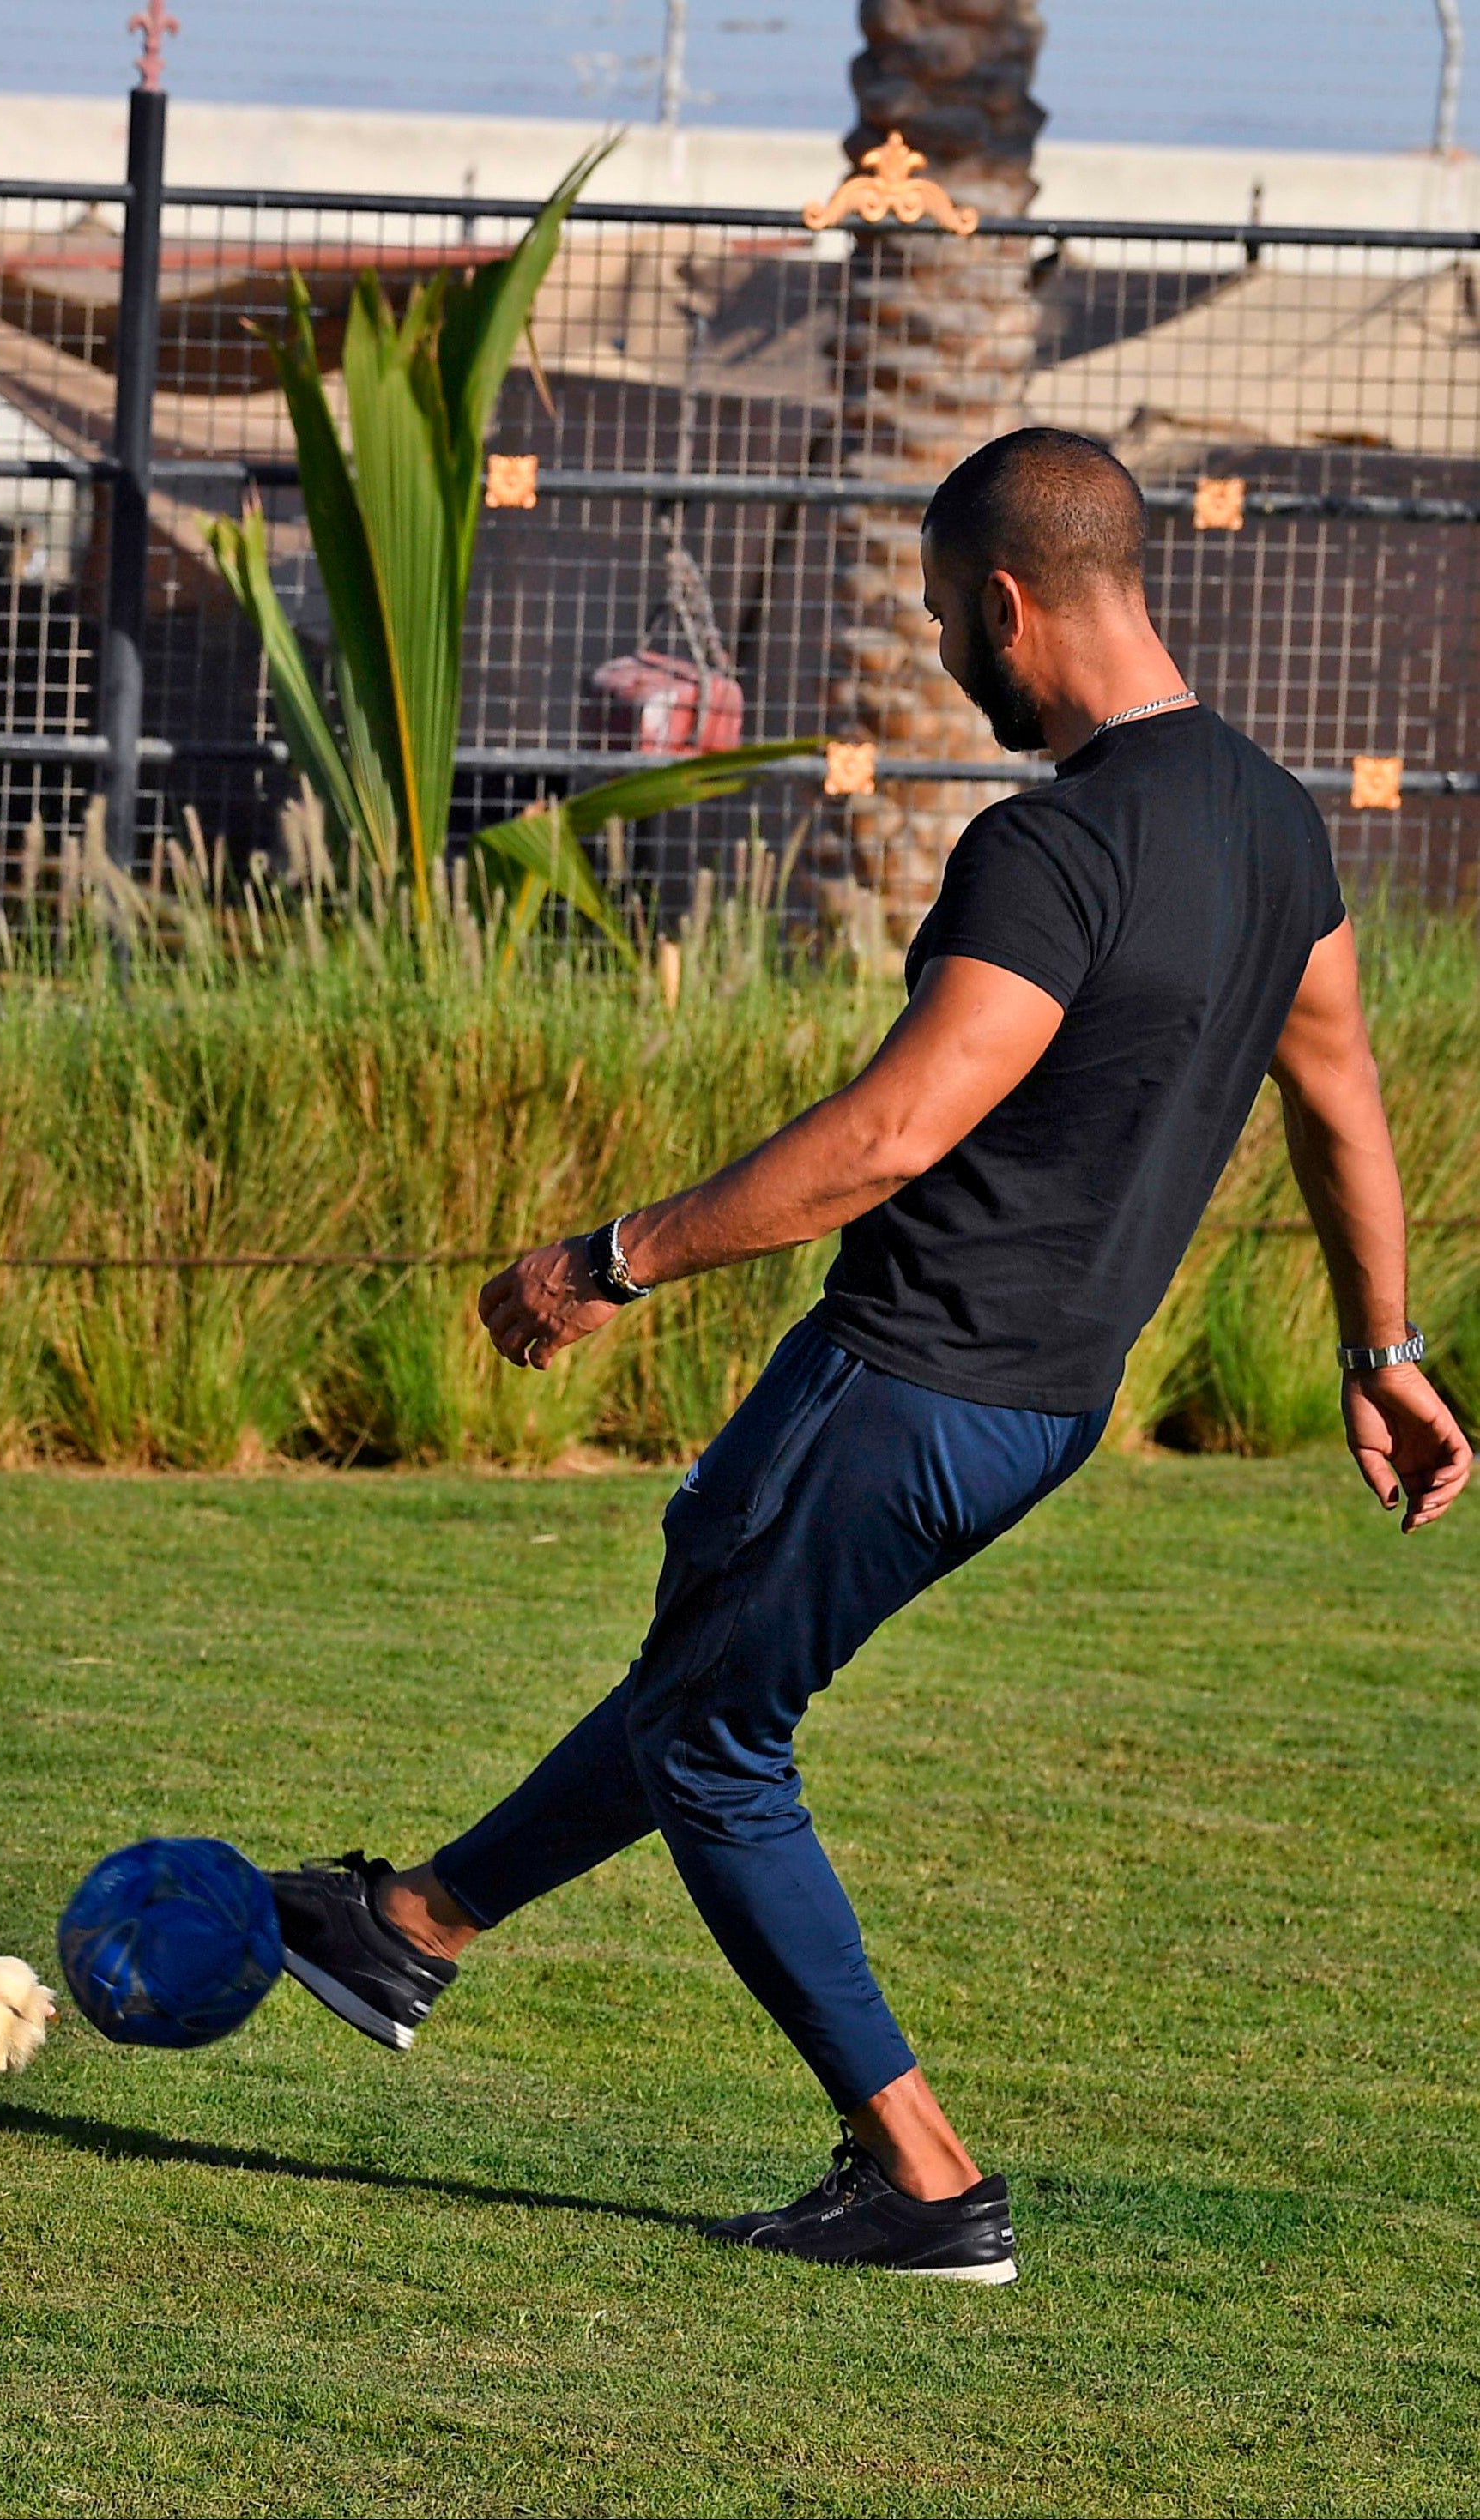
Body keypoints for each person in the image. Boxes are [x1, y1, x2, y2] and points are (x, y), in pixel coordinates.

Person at [270, 426, 1471, 2285]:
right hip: (1044, 1407)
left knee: (715, 1733)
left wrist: (618, 1254)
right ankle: (410, 1922)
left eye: (935, 616)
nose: (936, 653)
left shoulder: (1052, 844)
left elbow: (895, 1129)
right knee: (707, 1668)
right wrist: (1379, 1340)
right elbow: (1341, 1097)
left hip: (905, 1378)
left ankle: (921, 2177)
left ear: (1005, 602)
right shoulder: (1269, 816)